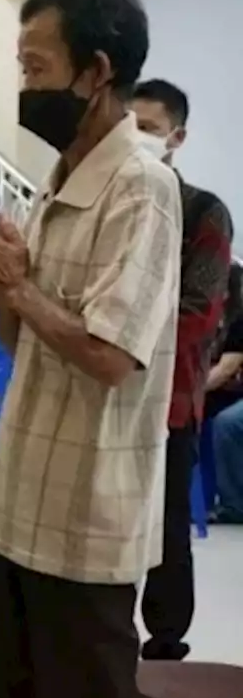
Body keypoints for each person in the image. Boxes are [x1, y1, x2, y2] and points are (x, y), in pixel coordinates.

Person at [0, 0, 181, 698]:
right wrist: (5, 292)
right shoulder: (55, 180)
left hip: (87, 518)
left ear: (97, 70)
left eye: (37, 66)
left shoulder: (141, 186)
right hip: (19, 511)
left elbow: (110, 355)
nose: (23, 84)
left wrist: (21, 286)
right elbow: (22, 342)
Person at [128, 78, 233, 660]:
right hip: (105, 392)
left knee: (166, 528)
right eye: (128, 125)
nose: (135, 138)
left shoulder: (202, 211)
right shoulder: (113, 199)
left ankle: (166, 642)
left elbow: (199, 312)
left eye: (148, 127)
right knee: (108, 525)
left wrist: (117, 331)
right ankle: (106, 636)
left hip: (169, 398)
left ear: (177, 137)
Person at [208, 263, 243, 521]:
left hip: (227, 389)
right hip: (223, 388)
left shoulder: (239, 319)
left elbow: (225, 368)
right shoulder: (207, 316)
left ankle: (233, 505)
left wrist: (188, 389)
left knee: (227, 423)